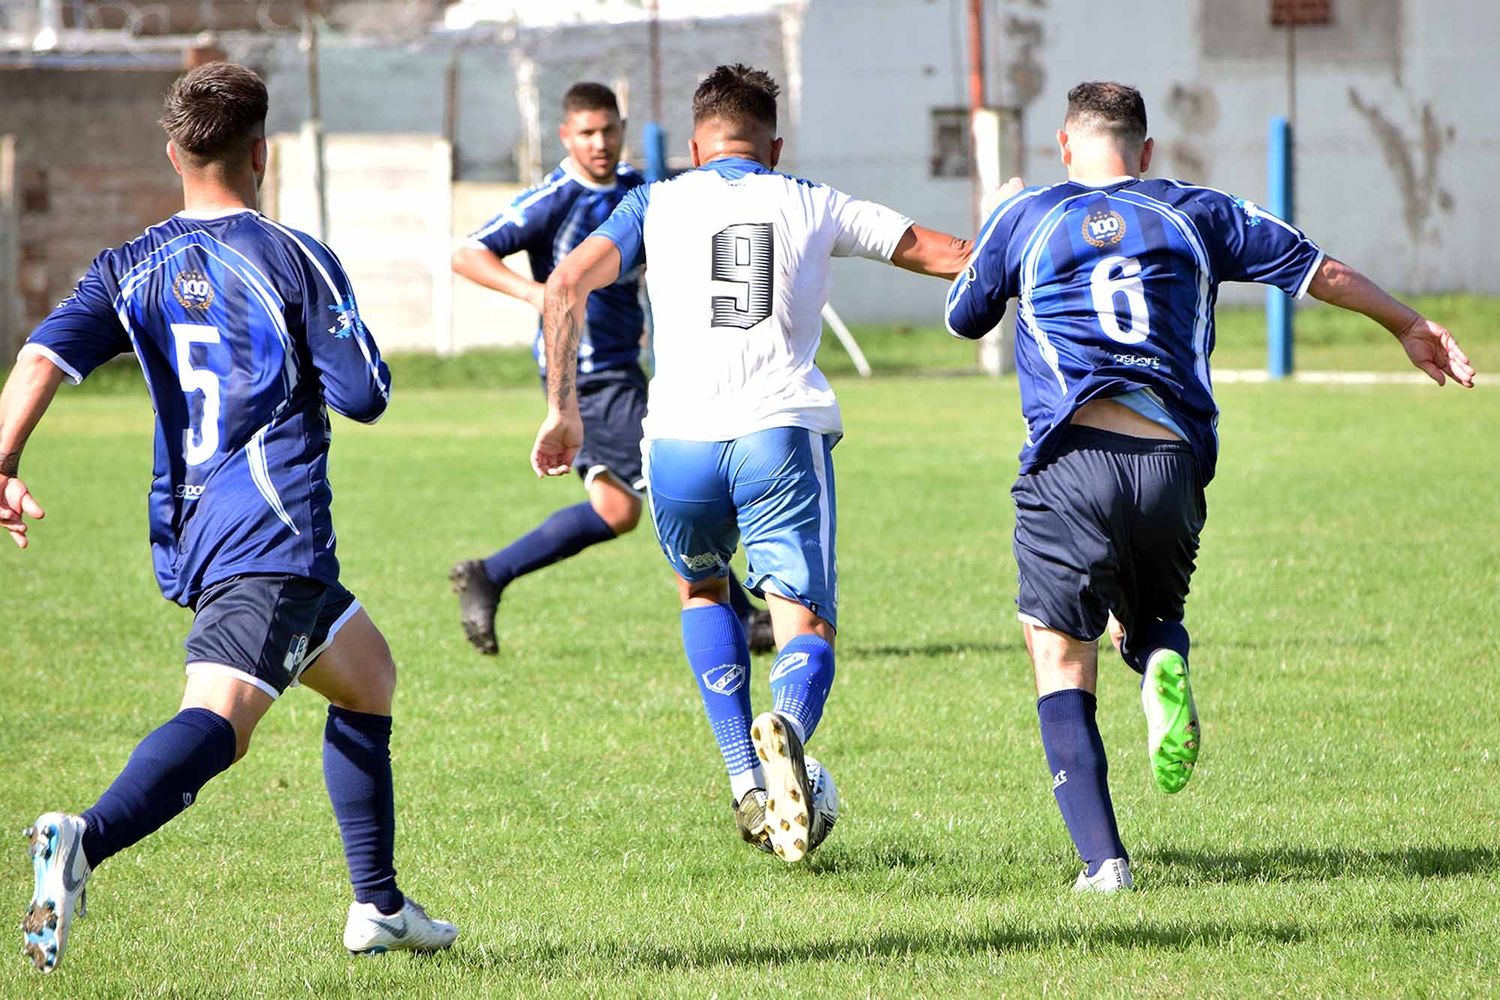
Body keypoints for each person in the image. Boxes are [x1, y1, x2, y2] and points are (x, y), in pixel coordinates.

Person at [945, 81, 1476, 892]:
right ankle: (1161, 656)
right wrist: (1407, 322)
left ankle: (1104, 863)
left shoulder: (1031, 216)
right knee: (1152, 617)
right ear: (1147, 151)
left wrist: (995, 218)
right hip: (1172, 464)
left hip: (1071, 463)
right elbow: (1318, 271)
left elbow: (963, 315)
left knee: (1059, 653)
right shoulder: (1195, 209)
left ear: (1063, 145)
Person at [0, 63, 458, 971]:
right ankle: (83, 837)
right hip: (275, 531)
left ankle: (377, 906)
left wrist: (2, 459)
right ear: (262, 153)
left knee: (368, 677)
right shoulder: (293, 255)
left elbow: (41, 357)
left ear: (174, 153)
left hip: (201, 529)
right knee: (221, 719)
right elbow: (364, 395)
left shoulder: (126, 266)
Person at [530, 64, 972, 862]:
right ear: (773, 144)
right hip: (778, 432)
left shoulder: (653, 200)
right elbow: (947, 256)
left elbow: (564, 288)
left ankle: (745, 780)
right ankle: (790, 731)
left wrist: (563, 409)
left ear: (698, 146)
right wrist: (1013, 235)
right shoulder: (814, 199)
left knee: (702, 588)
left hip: (677, 442)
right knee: (805, 621)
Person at [449, 82, 773, 655]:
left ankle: (490, 574)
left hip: (628, 370)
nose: (600, 142)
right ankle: (745, 619)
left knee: (617, 510)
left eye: (610, 130)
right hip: (590, 375)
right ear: (565, 136)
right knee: (680, 481)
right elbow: (468, 252)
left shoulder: (636, 191)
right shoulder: (554, 198)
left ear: (623, 128)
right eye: (587, 132)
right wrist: (535, 294)